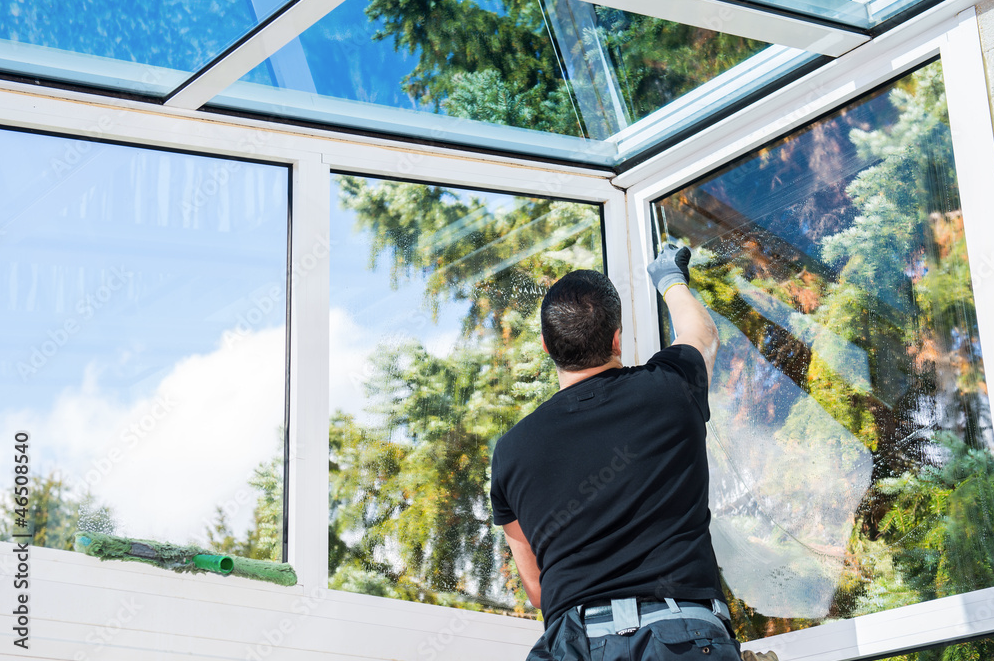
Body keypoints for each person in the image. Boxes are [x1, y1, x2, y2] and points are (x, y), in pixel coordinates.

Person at [489, 245, 741, 660]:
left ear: (546, 347)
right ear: (616, 339)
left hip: (574, 645)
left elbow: (536, 589)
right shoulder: (669, 389)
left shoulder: (511, 451)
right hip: (678, 635)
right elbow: (702, 336)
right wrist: (669, 279)